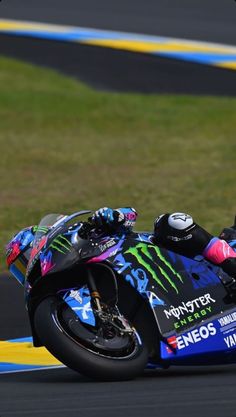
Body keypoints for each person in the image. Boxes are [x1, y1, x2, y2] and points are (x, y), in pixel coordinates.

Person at [92, 207, 236, 294]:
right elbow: (131, 214)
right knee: (172, 222)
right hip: (172, 275)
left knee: (178, 222)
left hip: (211, 282)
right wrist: (118, 215)